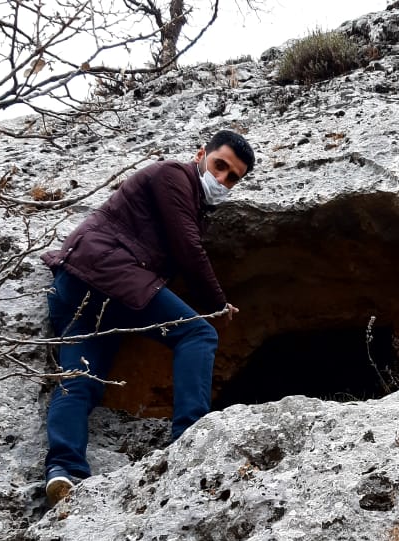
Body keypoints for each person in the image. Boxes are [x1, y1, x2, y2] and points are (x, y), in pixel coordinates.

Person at [40, 131, 255, 504]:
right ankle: (189, 439)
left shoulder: (189, 195)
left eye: (232, 177)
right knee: (198, 336)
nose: (221, 180)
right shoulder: (173, 175)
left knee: (81, 379)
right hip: (109, 270)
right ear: (201, 153)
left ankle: (64, 471)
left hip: (77, 282)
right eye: (219, 166)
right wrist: (218, 303)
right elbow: (187, 247)